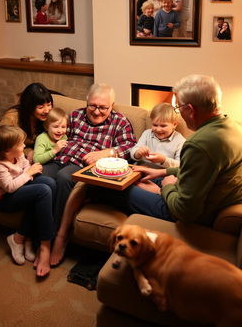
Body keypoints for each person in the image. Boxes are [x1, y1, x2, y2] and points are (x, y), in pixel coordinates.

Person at [128, 74, 242, 226]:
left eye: (179, 107)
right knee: (138, 178)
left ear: (189, 109)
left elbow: (184, 211)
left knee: (118, 190)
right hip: (200, 196)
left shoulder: (200, 145)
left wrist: (166, 187)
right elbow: (201, 172)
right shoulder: (234, 127)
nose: (179, 111)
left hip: (192, 215)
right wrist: (163, 172)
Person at [46, 83, 137, 265]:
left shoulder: (119, 122)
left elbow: (131, 148)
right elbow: (55, 133)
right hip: (60, 157)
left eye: (103, 107)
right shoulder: (74, 116)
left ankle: (55, 240)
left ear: (112, 106)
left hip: (80, 165)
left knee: (64, 179)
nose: (96, 111)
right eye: (92, 106)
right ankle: (33, 236)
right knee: (43, 180)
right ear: (86, 102)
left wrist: (108, 152)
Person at [0, 125, 56, 277]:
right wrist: (29, 172)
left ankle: (25, 237)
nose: (24, 146)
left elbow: (25, 166)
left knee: (50, 183)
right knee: (43, 191)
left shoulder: (18, 155)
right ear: (6, 151)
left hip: (18, 185)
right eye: (20, 144)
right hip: (2, 199)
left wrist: (27, 171)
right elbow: (10, 187)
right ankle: (39, 242)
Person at [0, 83, 53, 162]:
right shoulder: (12, 118)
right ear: (29, 106)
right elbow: (2, 146)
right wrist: (27, 152)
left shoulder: (48, 116)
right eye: (41, 107)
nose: (47, 110)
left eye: (49, 105)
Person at [130, 102, 185, 169]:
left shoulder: (180, 141)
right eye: (155, 125)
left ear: (174, 124)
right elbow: (133, 152)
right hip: (141, 169)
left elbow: (180, 165)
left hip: (162, 173)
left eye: (163, 126)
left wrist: (163, 160)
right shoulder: (147, 134)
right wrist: (137, 153)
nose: (158, 129)